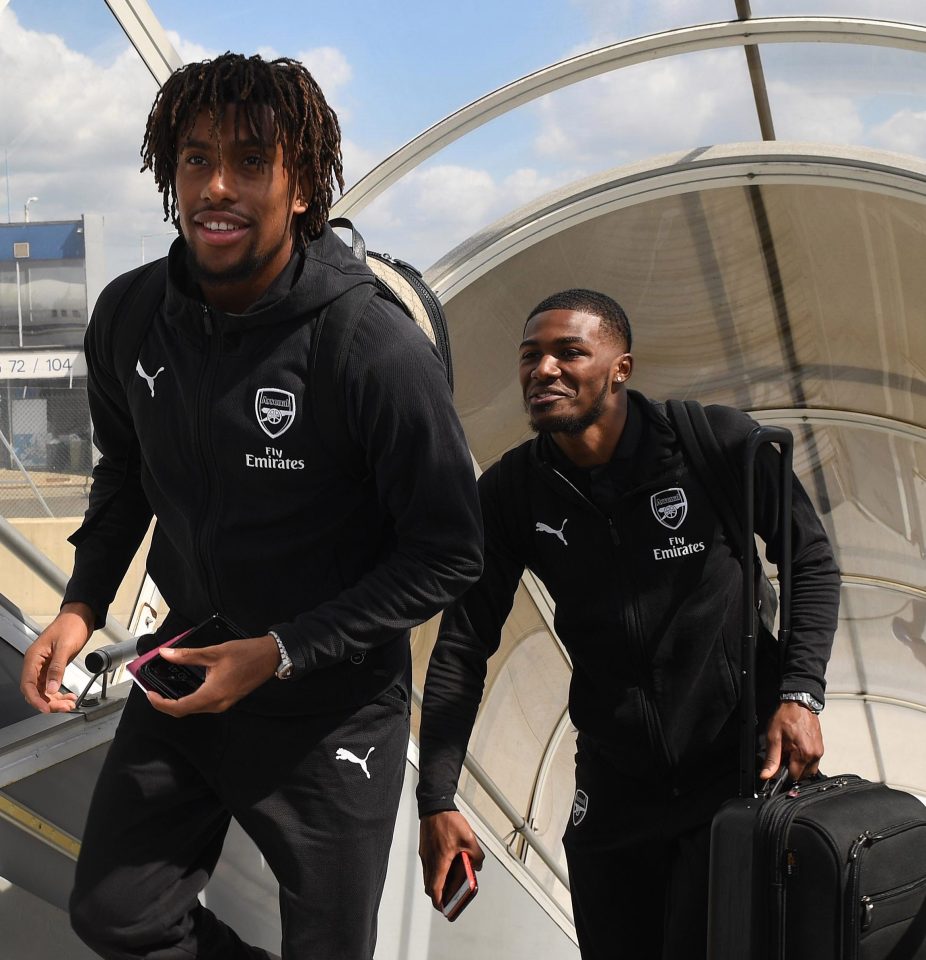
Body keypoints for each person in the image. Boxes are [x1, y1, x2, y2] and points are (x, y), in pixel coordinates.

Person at [19, 53, 483, 960]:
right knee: (117, 911)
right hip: (189, 664)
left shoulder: (367, 346)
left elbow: (449, 551)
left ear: (302, 186)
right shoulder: (129, 315)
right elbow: (127, 474)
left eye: (251, 162)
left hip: (333, 706)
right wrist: (79, 606)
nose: (217, 187)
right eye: (196, 160)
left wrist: (280, 653)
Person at [416, 289, 840, 959]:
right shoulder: (512, 493)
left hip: (733, 779)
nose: (543, 370)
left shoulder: (717, 445)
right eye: (530, 356)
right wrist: (436, 796)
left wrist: (800, 695)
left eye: (569, 352)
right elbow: (464, 646)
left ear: (621, 367)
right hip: (614, 799)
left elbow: (811, 559)